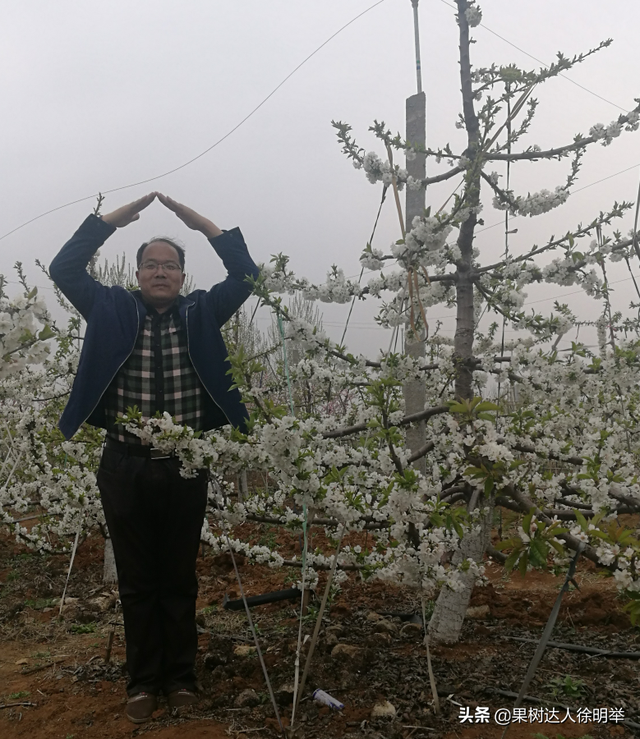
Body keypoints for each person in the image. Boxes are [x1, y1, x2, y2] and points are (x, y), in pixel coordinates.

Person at [49, 192, 260, 723]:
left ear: (183, 275)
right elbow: (64, 266)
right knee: (138, 579)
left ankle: (181, 677)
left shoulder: (202, 309)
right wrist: (117, 219)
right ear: (138, 272)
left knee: (179, 576)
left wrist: (200, 221)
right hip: (124, 464)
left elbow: (247, 275)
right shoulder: (110, 305)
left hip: (185, 463)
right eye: (151, 264)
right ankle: (143, 682)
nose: (159, 272)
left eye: (169, 265)